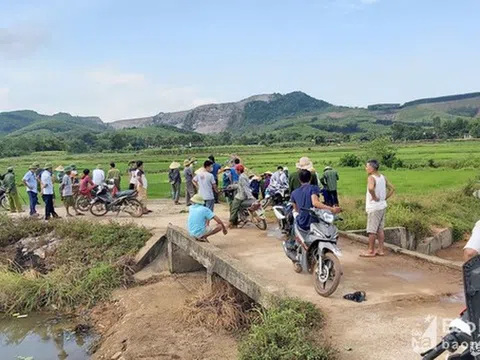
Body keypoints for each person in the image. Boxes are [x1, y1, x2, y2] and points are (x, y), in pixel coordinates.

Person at [361, 159, 396, 258]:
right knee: (380, 229)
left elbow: (371, 188)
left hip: (374, 207)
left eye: (367, 166)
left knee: (372, 230)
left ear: (372, 168)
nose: (366, 168)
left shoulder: (371, 178)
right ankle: (380, 249)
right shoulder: (382, 177)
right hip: (382, 205)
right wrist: (384, 197)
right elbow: (392, 188)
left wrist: (374, 196)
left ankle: (370, 250)